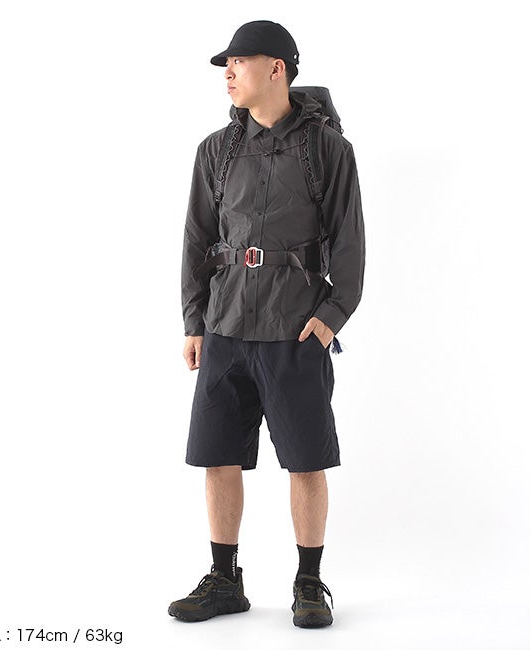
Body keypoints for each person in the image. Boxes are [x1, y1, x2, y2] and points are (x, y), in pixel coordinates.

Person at [169, 20, 365, 628]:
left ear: (276, 68)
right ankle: (224, 579)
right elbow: (197, 239)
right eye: (225, 65)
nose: (228, 73)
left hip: (294, 329)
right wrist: (195, 322)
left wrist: (330, 318)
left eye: (239, 62)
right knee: (218, 456)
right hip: (225, 326)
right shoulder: (215, 150)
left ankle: (309, 581)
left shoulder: (327, 150)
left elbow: (350, 242)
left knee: (305, 460)